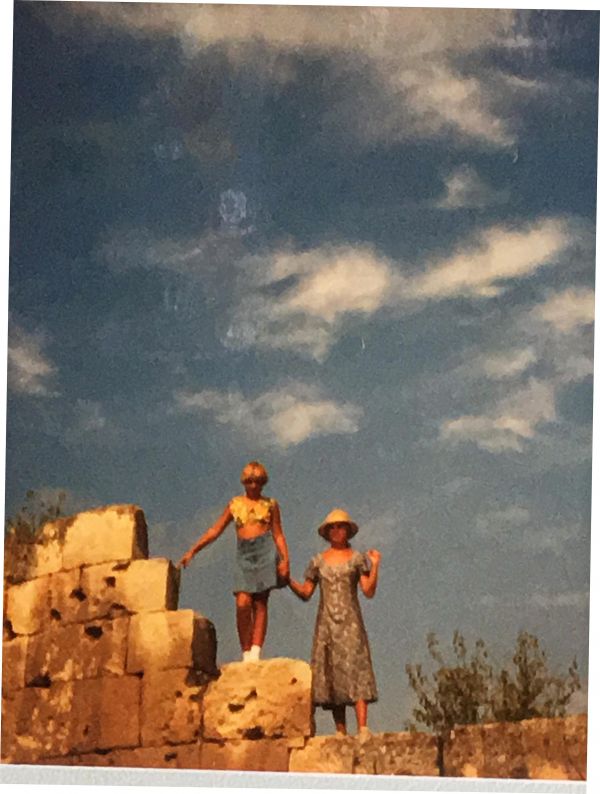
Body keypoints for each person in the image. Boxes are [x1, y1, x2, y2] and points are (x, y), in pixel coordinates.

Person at [178, 461, 290, 662]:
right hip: (244, 553)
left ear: (263, 483)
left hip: (264, 550)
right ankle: (245, 649)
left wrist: (285, 559)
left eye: (257, 482)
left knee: (260, 602)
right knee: (242, 602)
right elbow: (215, 530)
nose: (253, 485)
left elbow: (278, 534)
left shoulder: (270, 505)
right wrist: (193, 550)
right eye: (250, 481)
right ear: (244, 482)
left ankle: (255, 651)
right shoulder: (235, 504)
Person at [288, 508, 380, 737]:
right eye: (333, 527)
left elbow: (368, 590)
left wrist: (375, 565)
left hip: (351, 622)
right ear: (327, 532)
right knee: (331, 670)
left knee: (356, 667)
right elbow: (306, 592)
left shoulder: (357, 558)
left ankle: (362, 727)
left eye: (341, 527)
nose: (337, 531)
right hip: (326, 623)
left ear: (348, 531)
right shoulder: (318, 561)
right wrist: (287, 579)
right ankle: (340, 730)